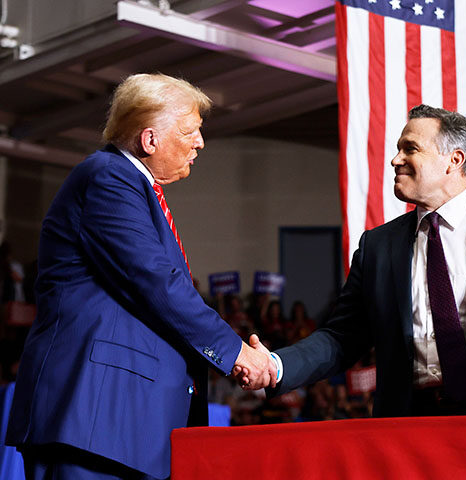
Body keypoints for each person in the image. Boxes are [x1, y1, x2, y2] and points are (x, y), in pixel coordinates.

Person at [5, 73, 275, 480]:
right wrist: (236, 353)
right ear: (149, 140)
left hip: (124, 425)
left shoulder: (135, 189)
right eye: (190, 132)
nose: (200, 143)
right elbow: (155, 282)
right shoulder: (108, 178)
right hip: (95, 418)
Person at [239, 105, 466, 417]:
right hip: (406, 428)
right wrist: (277, 366)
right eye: (397, 149)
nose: (395, 160)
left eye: (410, 149)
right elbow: (342, 338)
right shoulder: (378, 246)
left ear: (454, 160)